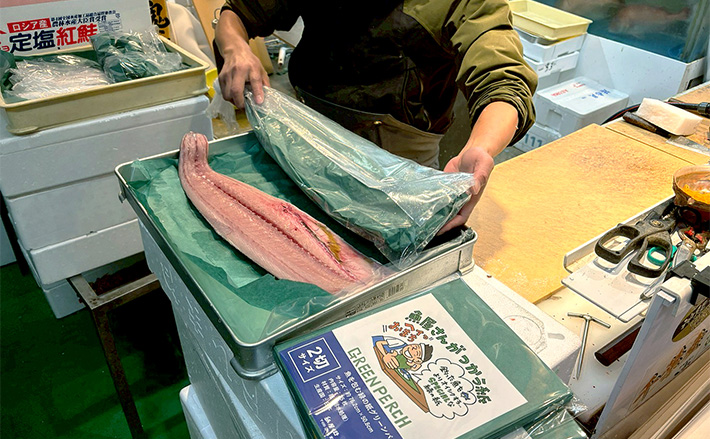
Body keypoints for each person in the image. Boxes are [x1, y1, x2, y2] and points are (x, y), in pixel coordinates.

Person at [214, 0, 537, 232]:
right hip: (307, 135)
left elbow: (505, 82)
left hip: (399, 163)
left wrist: (480, 147)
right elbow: (239, 12)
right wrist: (235, 48)